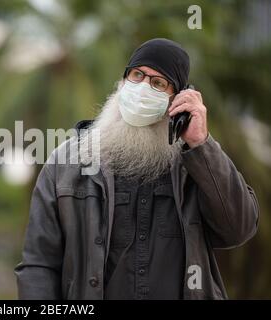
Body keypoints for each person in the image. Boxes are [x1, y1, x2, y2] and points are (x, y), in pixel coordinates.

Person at [14, 38, 259, 299]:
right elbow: (38, 265)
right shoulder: (66, 163)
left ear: (177, 100)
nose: (143, 88)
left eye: (158, 83)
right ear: (122, 82)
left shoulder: (197, 163)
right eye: (137, 75)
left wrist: (201, 143)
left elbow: (239, 229)